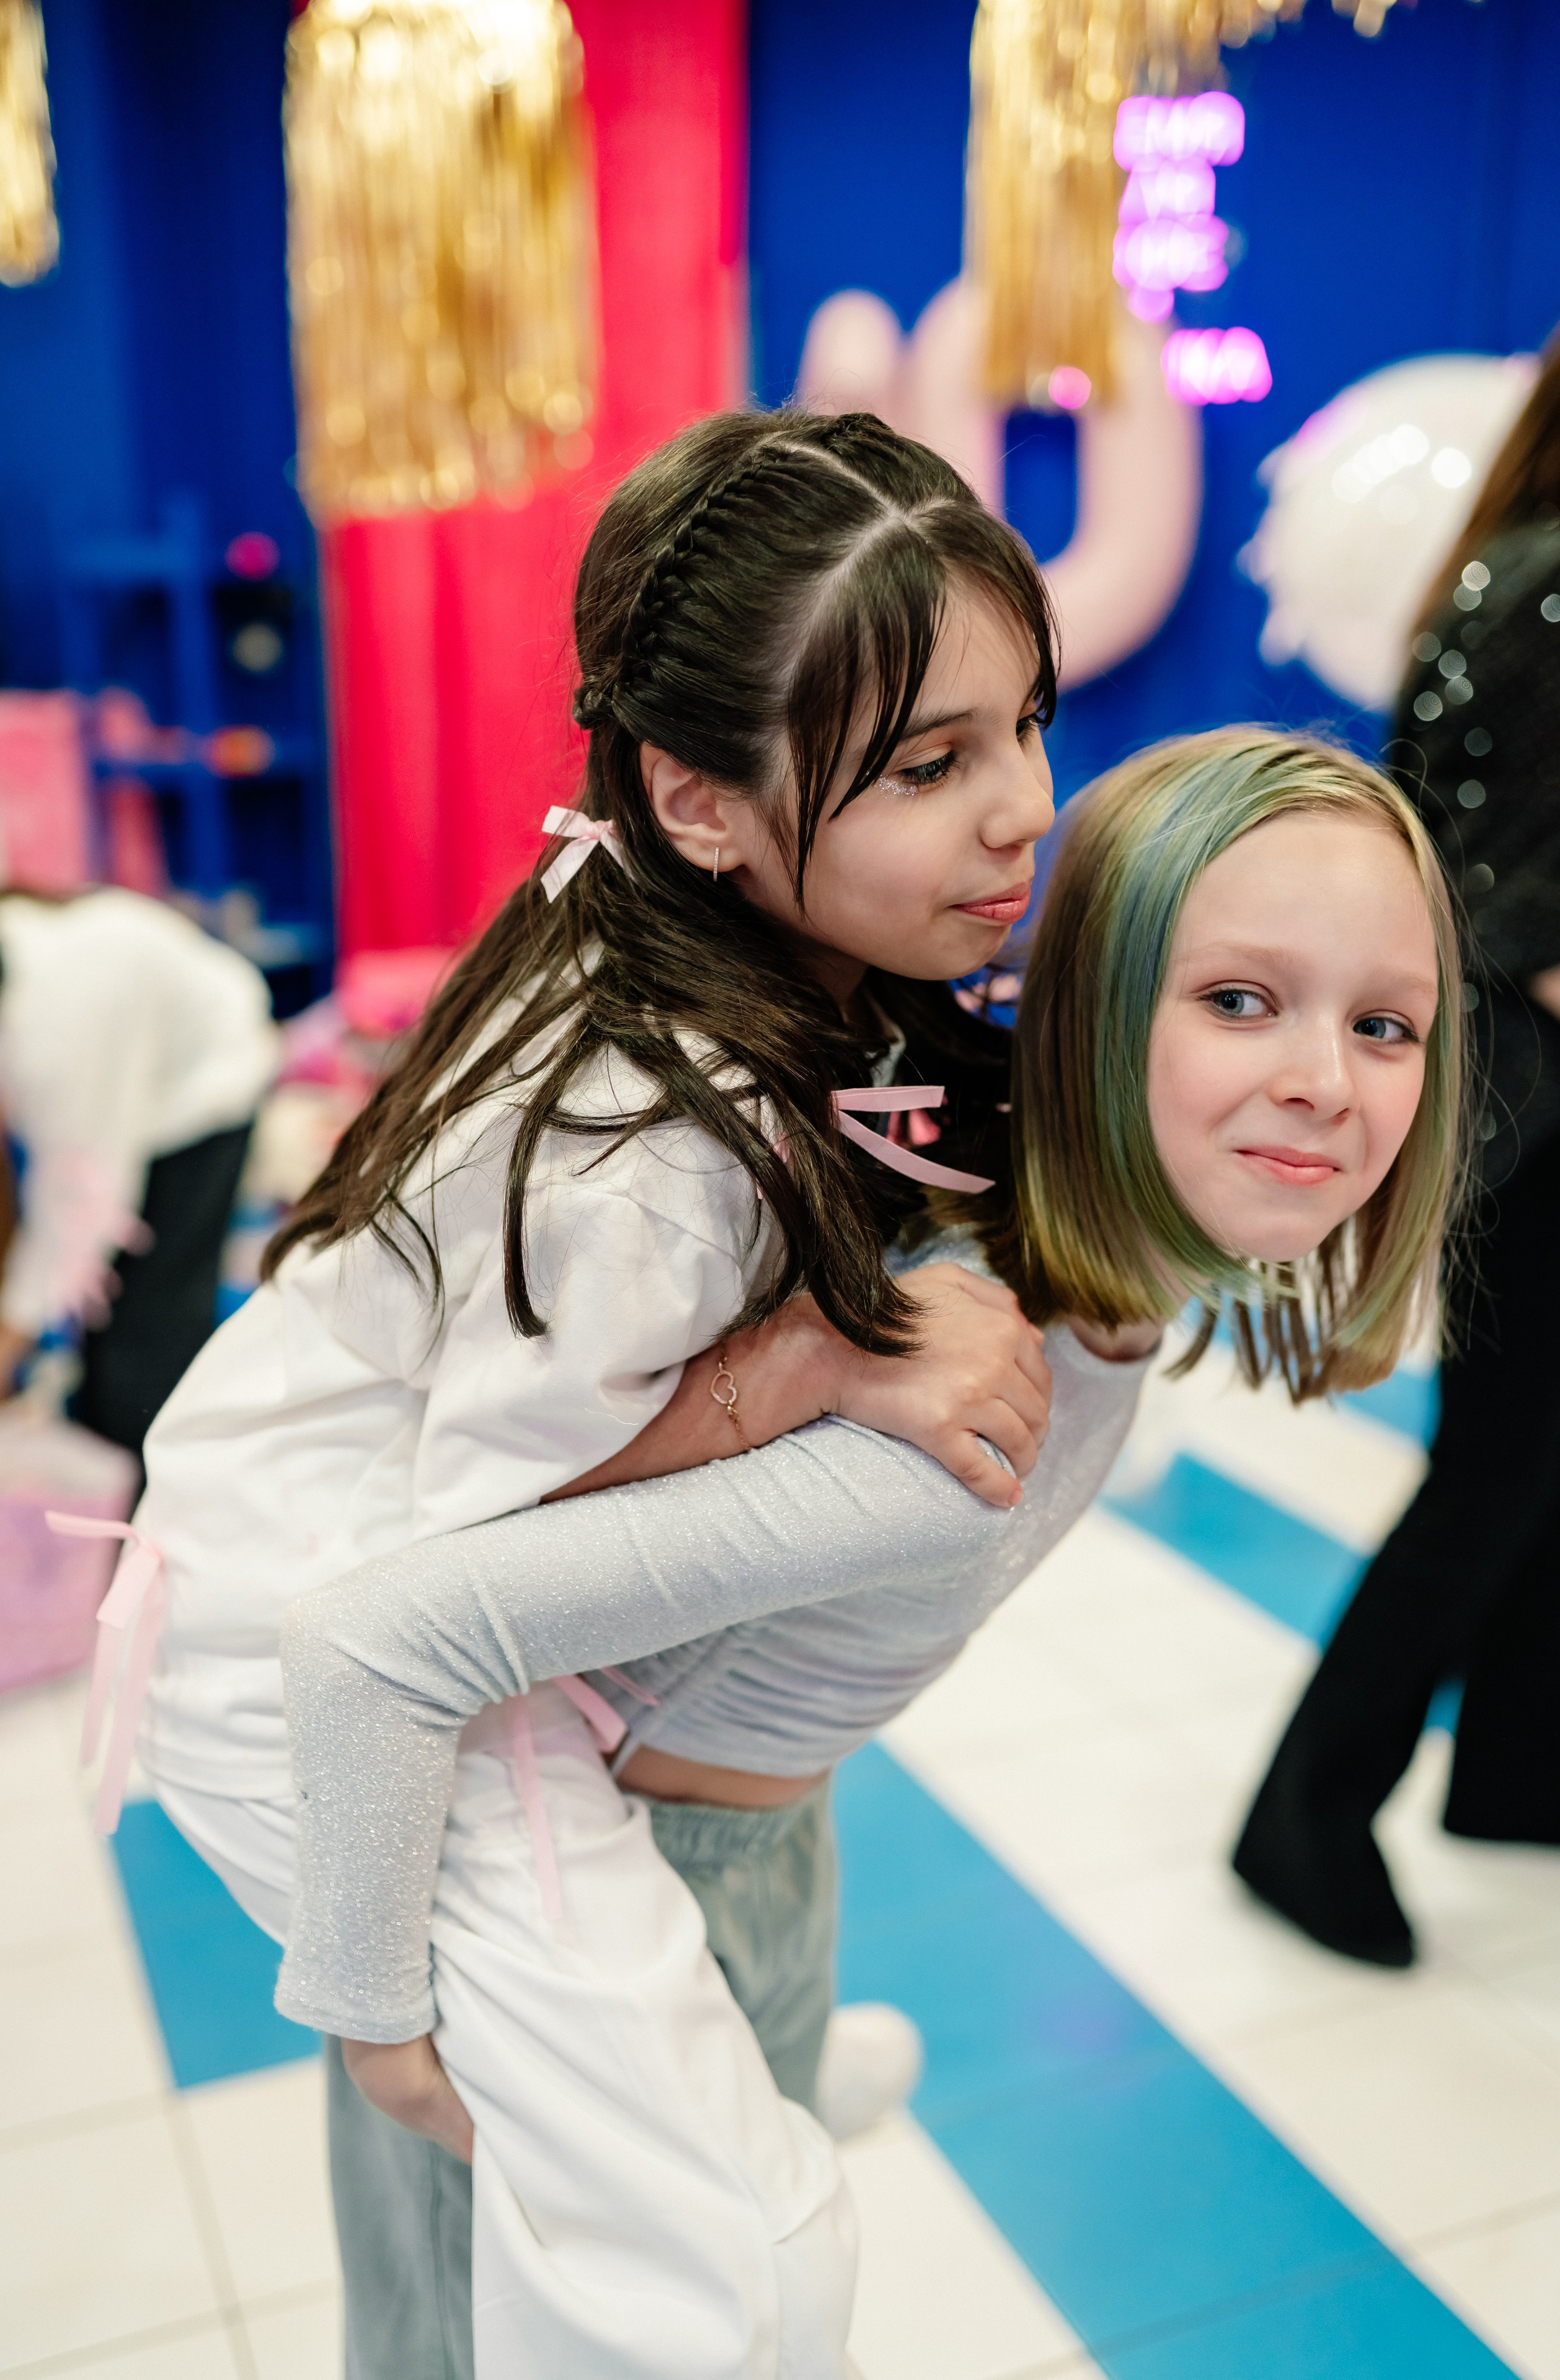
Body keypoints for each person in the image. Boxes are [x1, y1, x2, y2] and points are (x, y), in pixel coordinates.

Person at [265, 727, 1468, 2380]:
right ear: (1085, 997)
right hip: (568, 1918)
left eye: (1383, 1021)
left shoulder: (1084, 1291)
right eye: (1242, 999)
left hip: (743, 1873)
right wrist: (380, 2022)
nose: (1328, 1077)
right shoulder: (959, 1402)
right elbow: (381, 1638)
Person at [128, 407, 1062, 2376]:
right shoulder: (646, 1143)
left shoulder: (723, 942)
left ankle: (727, 2079)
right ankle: (706, 2138)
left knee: (644, 2076)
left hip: (393, 1612)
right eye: (929, 762)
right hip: (322, 1653)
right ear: (698, 797)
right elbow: (464, 1576)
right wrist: (794, 1366)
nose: (1019, 810)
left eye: (1023, 728)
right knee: (718, 2264)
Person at [1233, 332, 1560, 1968]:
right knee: (1495, 1475)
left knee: (1520, 1464)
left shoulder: (1499, 562)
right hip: (1540, 1098)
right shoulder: (1546, 578)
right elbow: (1497, 888)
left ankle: (1512, 1768)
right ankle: (1305, 1808)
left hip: (1509, 1093)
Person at [0, 886, 275, 1454]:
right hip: (125, 1068)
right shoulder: (2, 948)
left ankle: (162, 1494)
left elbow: (83, 1193)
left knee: (147, 1340)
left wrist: (6, 1337)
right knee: (98, 1337)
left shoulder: (62, 1023)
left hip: (204, 1089)